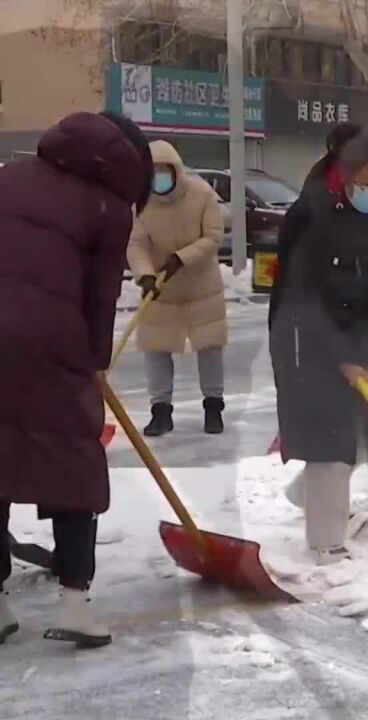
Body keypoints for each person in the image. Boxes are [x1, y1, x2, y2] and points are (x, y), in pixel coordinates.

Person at [0, 111, 153, 647]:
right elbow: (101, 295)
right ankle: (74, 603)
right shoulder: (109, 207)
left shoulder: (9, 176)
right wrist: (94, 361)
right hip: (51, 339)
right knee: (71, 461)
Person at [269, 132, 368, 563]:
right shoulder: (314, 214)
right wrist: (339, 354)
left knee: (367, 435)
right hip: (309, 340)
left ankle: (306, 491)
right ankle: (326, 544)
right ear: (348, 177)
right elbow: (301, 294)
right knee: (330, 443)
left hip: (365, 342)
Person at [127, 141, 227, 436]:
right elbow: (136, 243)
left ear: (176, 170)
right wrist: (145, 275)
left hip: (201, 287)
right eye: (153, 171)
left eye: (164, 170)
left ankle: (213, 407)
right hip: (161, 290)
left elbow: (213, 237)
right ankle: (160, 411)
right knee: (156, 349)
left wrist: (181, 258)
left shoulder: (201, 195)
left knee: (209, 348)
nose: (159, 177)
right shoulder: (141, 202)